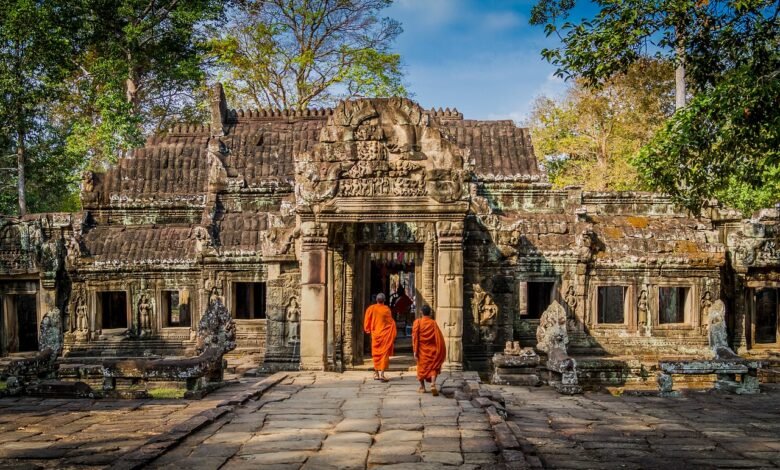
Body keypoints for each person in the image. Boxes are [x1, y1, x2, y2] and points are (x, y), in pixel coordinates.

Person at [412, 305, 446, 395]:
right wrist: (439, 349)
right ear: (430, 313)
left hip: (421, 350)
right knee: (433, 367)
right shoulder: (433, 323)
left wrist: (415, 351)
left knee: (421, 368)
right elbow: (438, 338)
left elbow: (415, 338)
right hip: (432, 349)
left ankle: (422, 388)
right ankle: (433, 384)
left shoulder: (417, 322)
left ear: (421, 312)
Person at [363, 293, 397, 382]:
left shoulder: (371, 309)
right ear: (384, 300)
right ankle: (382, 374)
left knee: (376, 355)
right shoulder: (386, 309)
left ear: (376, 300)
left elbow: (366, 321)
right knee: (384, 355)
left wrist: (368, 330)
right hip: (384, 335)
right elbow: (391, 323)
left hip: (375, 335)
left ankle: (376, 374)